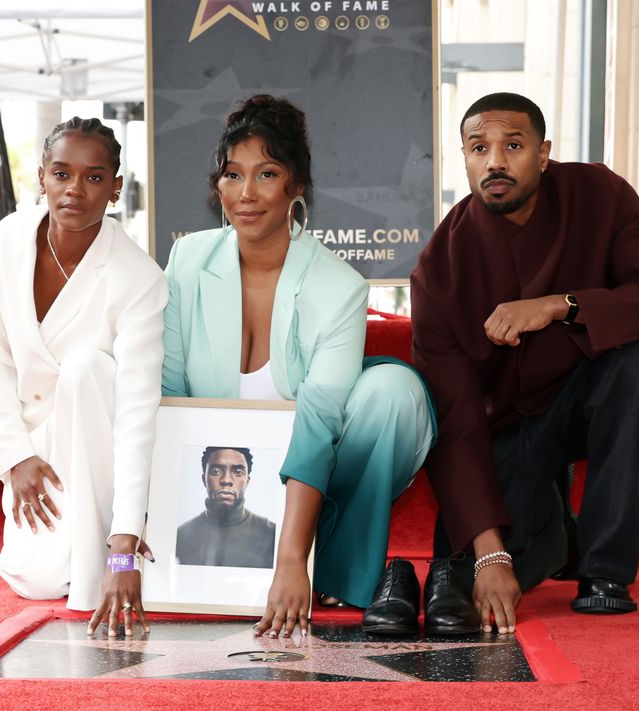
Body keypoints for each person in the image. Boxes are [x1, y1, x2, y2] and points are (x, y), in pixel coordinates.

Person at [411, 92, 639, 635]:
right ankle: (558, 533)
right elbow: (454, 417)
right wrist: (491, 556)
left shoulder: (599, 195)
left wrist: (561, 305)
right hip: (505, 430)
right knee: (477, 579)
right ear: (465, 159)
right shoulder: (438, 267)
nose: (494, 161)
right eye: (478, 148)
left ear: (543, 154)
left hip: (587, 397)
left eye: (512, 146)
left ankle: (604, 570)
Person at [162, 95, 436, 639]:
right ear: (217, 186)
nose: (247, 193)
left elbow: (318, 423)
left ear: (297, 187)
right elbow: (169, 396)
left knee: (393, 391)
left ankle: (326, 565)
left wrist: (290, 560)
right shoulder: (188, 261)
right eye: (233, 174)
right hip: (218, 475)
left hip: (318, 471)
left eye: (267, 173)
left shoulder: (338, 285)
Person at [0, 117, 167, 637]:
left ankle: (104, 539)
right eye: (62, 173)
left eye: (94, 177)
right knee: (35, 579)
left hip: (101, 436)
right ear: (41, 177)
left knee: (87, 365)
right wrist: (15, 456)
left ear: (117, 187)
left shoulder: (139, 277)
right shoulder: (10, 238)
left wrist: (125, 543)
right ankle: (73, 540)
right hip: (36, 444)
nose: (75, 189)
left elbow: (138, 412)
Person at [175, 446, 276, 568]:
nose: (226, 480)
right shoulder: (181, 536)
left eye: (238, 472)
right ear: (203, 479)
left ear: (247, 481)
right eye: (216, 471)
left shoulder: (270, 534)